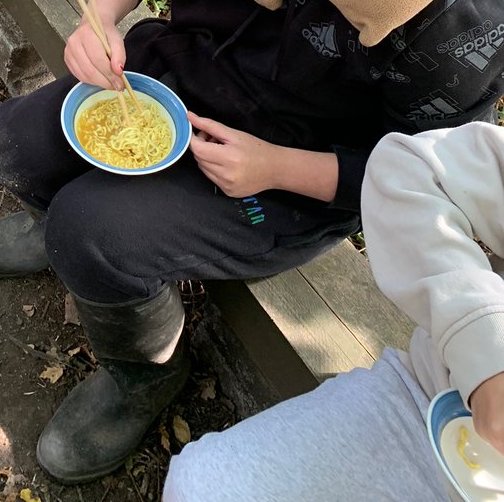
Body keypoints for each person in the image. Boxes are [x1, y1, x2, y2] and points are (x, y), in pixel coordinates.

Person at [0, 0, 504, 484]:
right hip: (176, 76)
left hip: (286, 176)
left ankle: (143, 374)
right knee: (22, 141)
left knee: (92, 229)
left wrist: (274, 167)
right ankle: (49, 233)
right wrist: (101, 18)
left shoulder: (450, 9)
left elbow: (427, 177)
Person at [163, 121, 504, 502]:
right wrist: (487, 355)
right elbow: (409, 166)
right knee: (199, 485)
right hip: (440, 404)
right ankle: (147, 380)